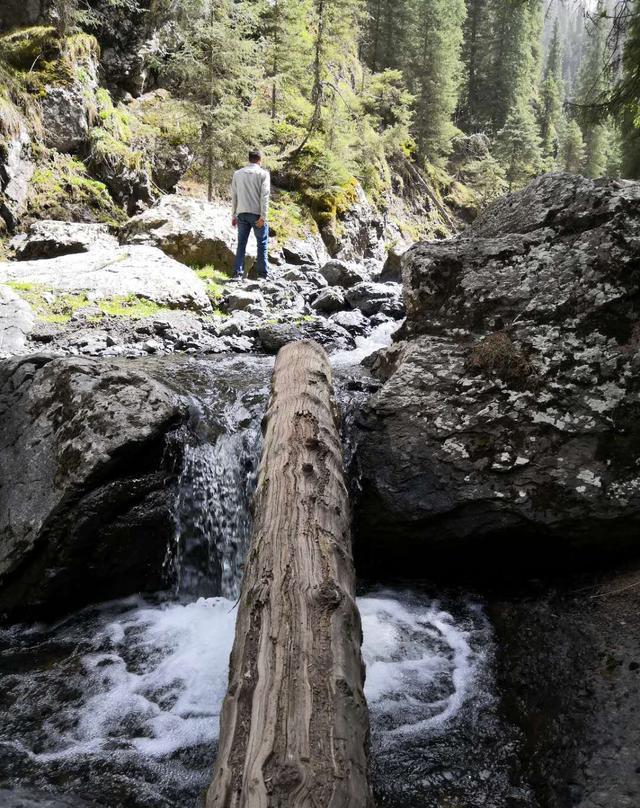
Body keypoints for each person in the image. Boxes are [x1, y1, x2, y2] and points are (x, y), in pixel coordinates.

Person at [231, 149, 270, 279]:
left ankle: (237, 273)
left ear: (249, 159)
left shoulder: (237, 174)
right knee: (262, 243)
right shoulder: (263, 174)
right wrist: (263, 216)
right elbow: (264, 196)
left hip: (241, 213)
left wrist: (233, 215)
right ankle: (262, 275)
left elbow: (234, 195)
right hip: (257, 214)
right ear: (260, 159)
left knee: (241, 243)